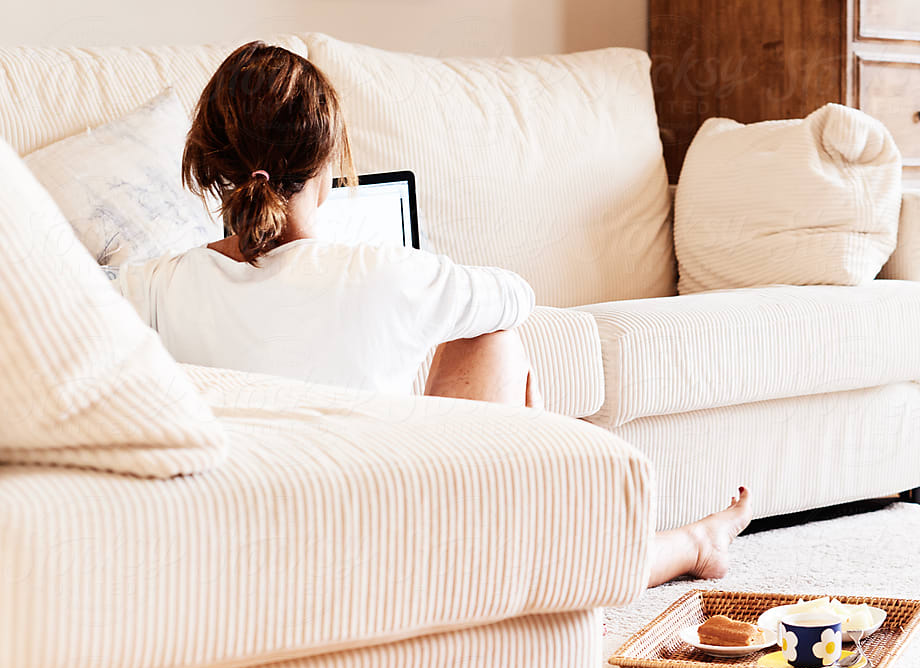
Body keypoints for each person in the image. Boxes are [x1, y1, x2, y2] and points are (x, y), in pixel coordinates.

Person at [118, 41, 751, 588]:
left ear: (209, 164)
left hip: (234, 545)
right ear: (327, 166)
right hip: (387, 550)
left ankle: (675, 538)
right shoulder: (385, 272)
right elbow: (515, 296)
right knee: (493, 339)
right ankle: (684, 541)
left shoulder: (153, 286)